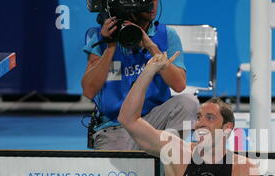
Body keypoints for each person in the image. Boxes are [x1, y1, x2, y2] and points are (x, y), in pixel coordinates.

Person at [118, 52, 260, 176]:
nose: (200, 123)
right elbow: (128, 120)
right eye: (199, 117)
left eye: (210, 118)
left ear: (227, 128)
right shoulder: (177, 152)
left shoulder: (245, 168)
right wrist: (148, 72)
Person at [81, 0, 199, 150]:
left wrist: (150, 46)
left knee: (188, 103)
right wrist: (111, 45)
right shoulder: (100, 37)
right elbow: (89, 91)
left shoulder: (167, 35)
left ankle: (167, 155)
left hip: (153, 122)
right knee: (120, 173)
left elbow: (179, 85)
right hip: (115, 126)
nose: (152, 4)